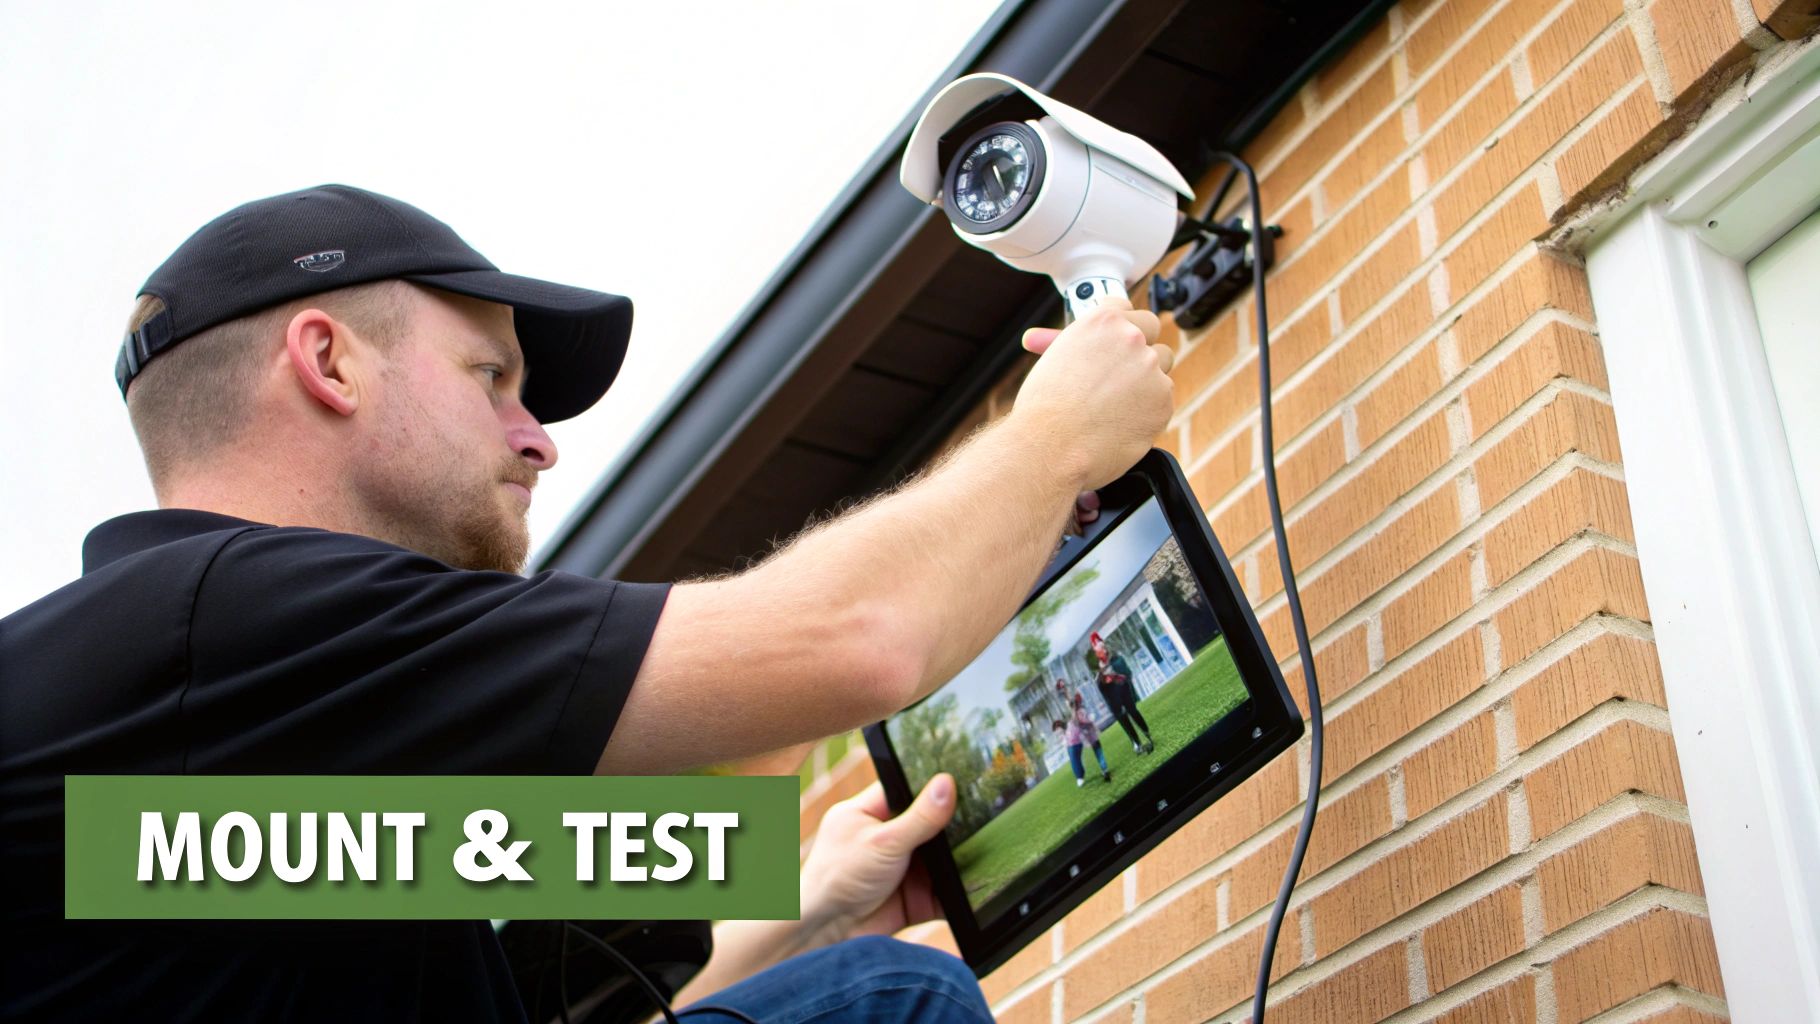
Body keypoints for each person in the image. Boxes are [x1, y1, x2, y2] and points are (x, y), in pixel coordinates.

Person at [0, 185, 1173, 1022]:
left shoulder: (206, 718)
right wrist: (1058, 435)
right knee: (892, 997)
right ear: (329, 362)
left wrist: (803, 899)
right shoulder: (237, 619)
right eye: (490, 377)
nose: (536, 441)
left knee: (862, 976)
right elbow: (859, 640)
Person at [1092, 632, 1155, 754]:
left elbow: (1127, 673)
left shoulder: (1116, 659)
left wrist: (1118, 676)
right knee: (1123, 720)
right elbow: (1101, 687)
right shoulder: (1099, 671)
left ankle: (1146, 732)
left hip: (1124, 691)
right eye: (1098, 650)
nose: (1102, 651)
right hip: (1113, 699)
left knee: (1133, 711)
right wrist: (1104, 679)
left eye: (1102, 648)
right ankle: (1136, 743)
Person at [1062, 698, 1110, 786]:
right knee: (1099, 754)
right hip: (1093, 737)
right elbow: (1087, 721)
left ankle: (1105, 770)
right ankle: (1105, 770)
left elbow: (1080, 721)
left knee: (1099, 754)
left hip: (1091, 738)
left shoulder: (1077, 716)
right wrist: (1092, 724)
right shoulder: (1080, 713)